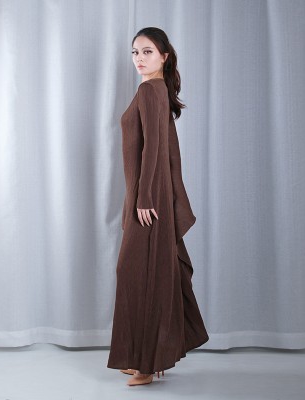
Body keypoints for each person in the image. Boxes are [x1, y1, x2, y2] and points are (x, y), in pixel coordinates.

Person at [107, 27, 209, 387]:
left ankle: (148, 364)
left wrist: (145, 197)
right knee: (149, 272)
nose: (139, 58)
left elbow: (153, 147)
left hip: (148, 199)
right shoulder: (157, 89)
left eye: (147, 51)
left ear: (164, 56)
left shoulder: (150, 90)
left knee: (139, 273)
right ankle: (146, 357)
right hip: (148, 196)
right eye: (135, 52)